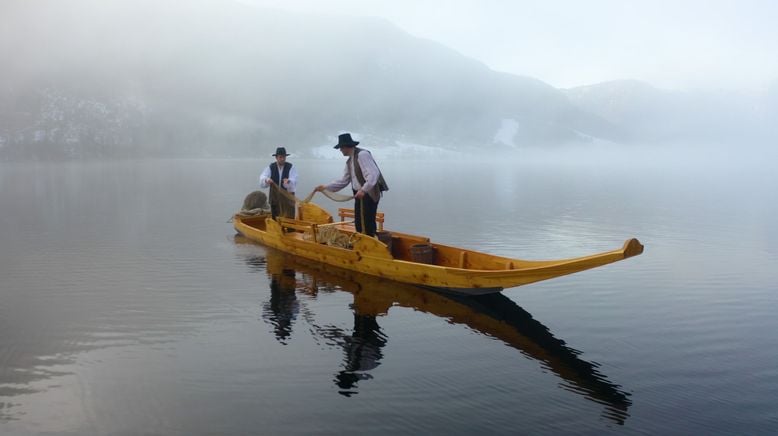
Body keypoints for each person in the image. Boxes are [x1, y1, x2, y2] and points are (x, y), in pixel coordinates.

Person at [316, 133, 388, 236]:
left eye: (341, 148)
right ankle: (363, 244)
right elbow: (344, 180)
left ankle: (371, 246)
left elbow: (373, 174)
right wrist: (325, 187)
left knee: (367, 223)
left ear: (346, 146)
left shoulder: (362, 155)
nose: (340, 150)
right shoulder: (350, 161)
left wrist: (363, 190)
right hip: (359, 194)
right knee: (359, 223)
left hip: (368, 194)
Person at [260, 147, 297, 219]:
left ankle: (290, 230)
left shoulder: (291, 167)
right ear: (276, 157)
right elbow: (262, 177)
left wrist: (289, 181)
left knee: (289, 218)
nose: (282, 159)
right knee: (275, 218)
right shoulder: (271, 167)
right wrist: (267, 180)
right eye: (280, 157)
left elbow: (294, 179)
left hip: (287, 199)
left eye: (284, 157)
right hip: (274, 199)